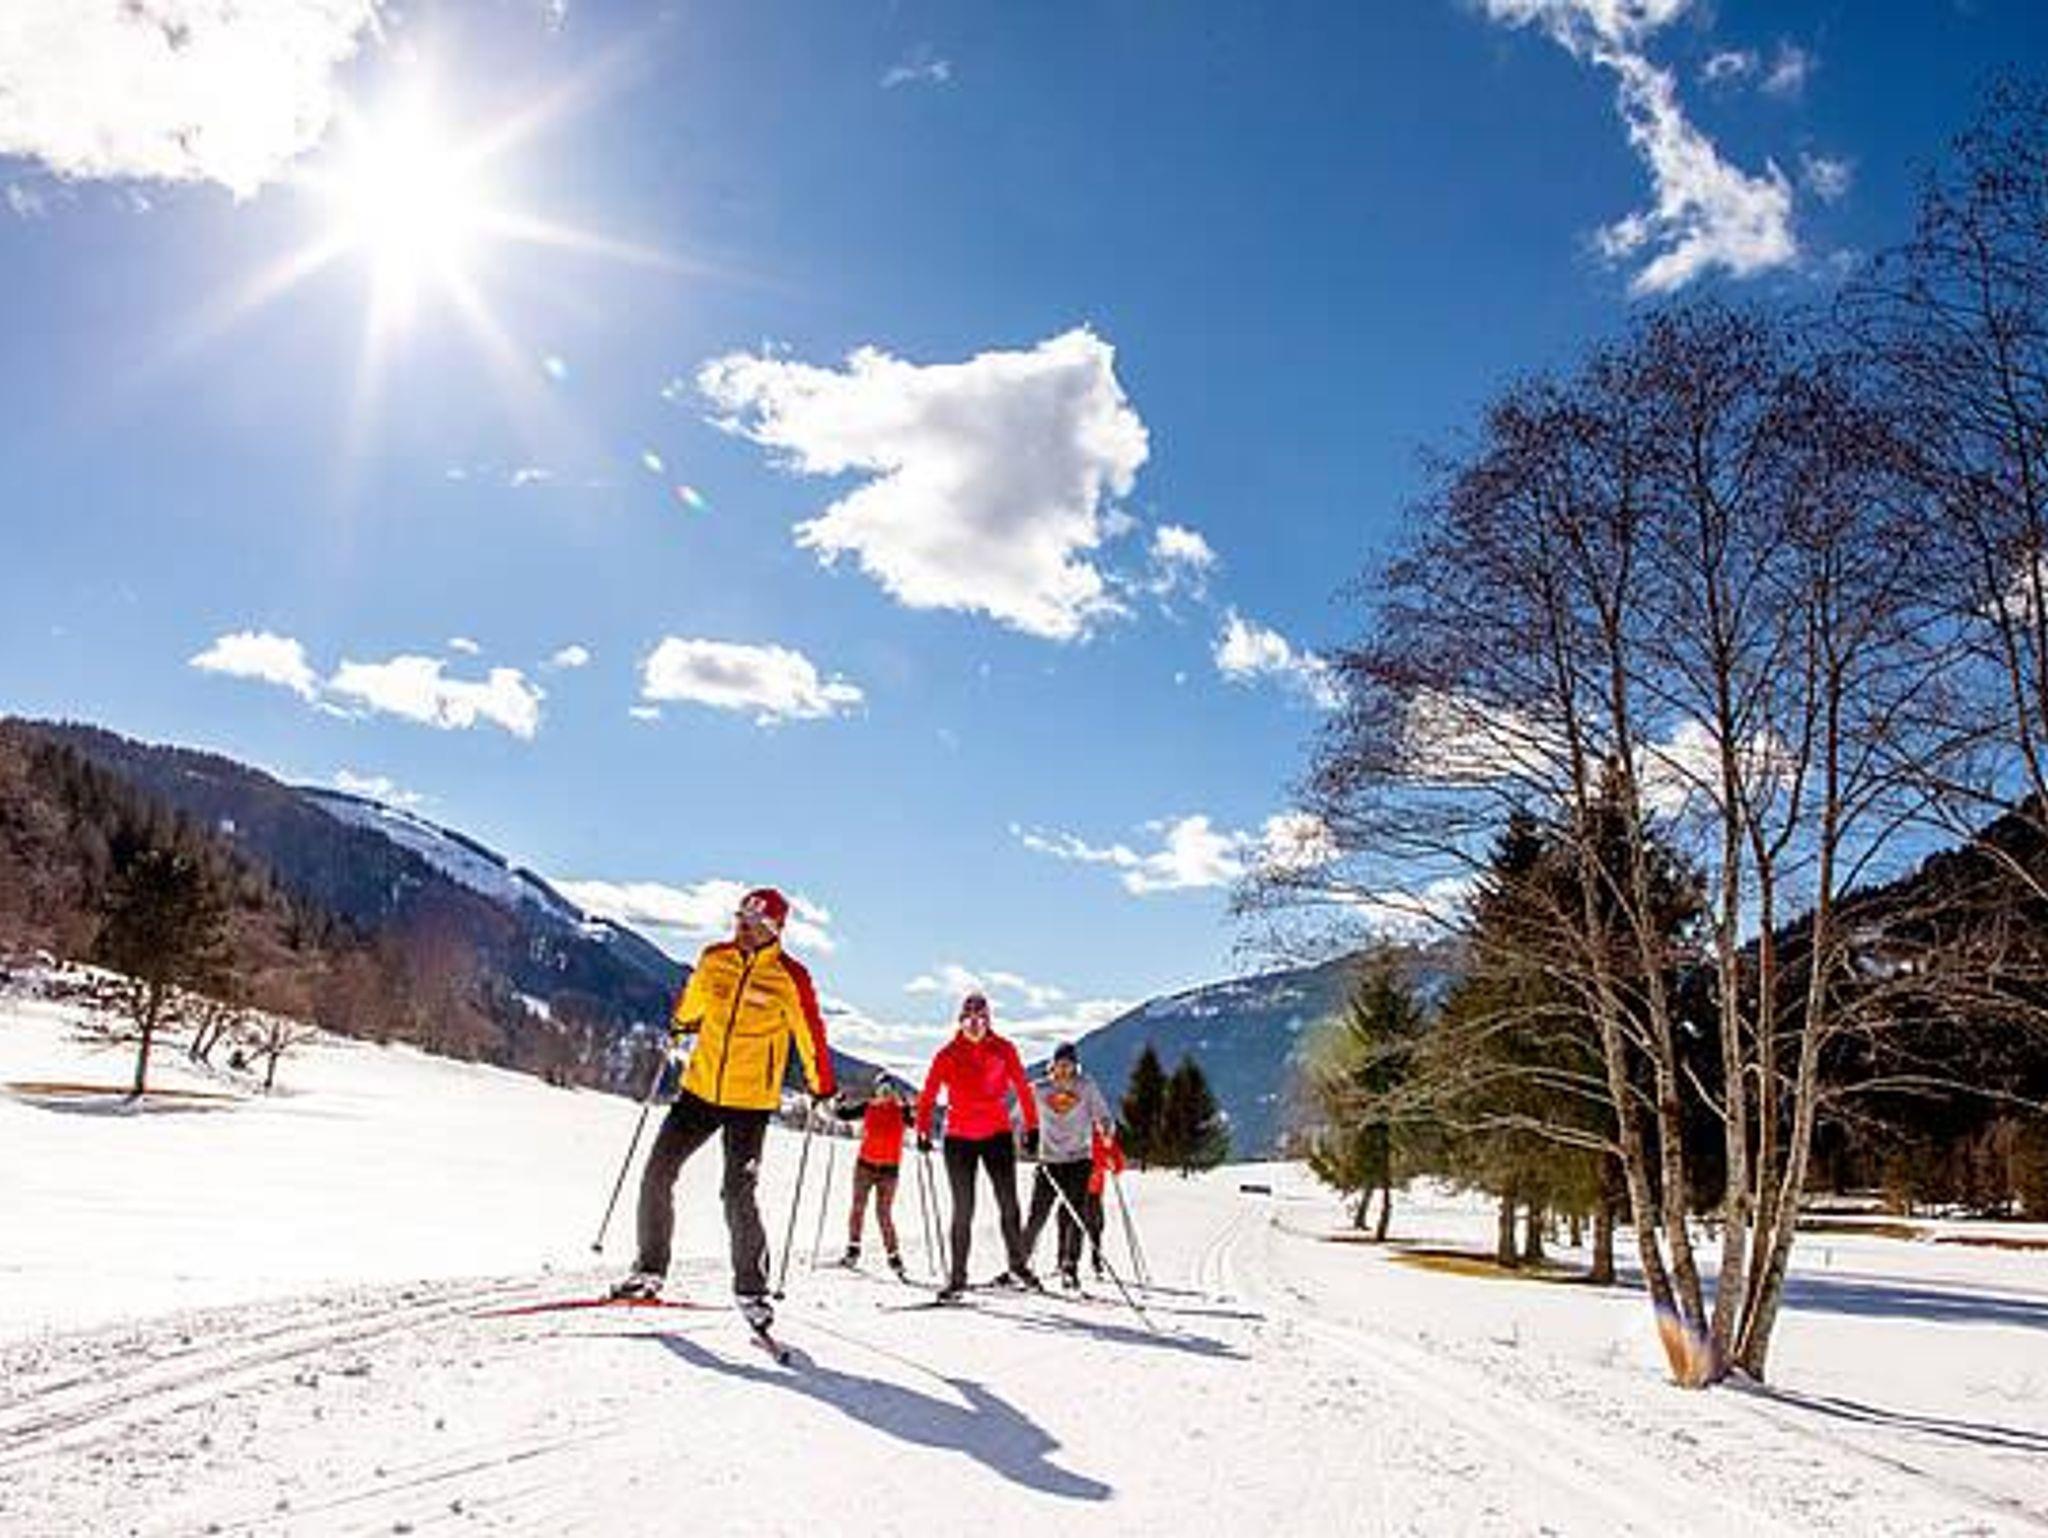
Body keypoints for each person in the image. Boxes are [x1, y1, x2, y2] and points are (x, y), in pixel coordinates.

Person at [611, 886, 834, 1336]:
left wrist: (821, 1084)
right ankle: (649, 1270)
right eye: (739, 918)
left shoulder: (790, 977)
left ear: (775, 929)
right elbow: (693, 1001)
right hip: (699, 1092)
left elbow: (809, 1032)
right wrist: (681, 1021)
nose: (743, 927)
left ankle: (752, 1290)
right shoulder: (714, 959)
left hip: (749, 1104)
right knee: (657, 1173)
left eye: (754, 922)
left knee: (736, 1194)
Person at [916, 991, 1040, 1301]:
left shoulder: (1004, 1049)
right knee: (963, 1208)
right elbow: (929, 1093)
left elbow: (1023, 1088)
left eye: (980, 1019)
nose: (974, 1025)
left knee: (1008, 1204)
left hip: (997, 1135)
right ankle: (957, 1278)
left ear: (988, 1021)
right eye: (969, 1019)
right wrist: (922, 1129)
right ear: (960, 1021)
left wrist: (1032, 1127)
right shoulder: (947, 1054)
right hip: (959, 1140)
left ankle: (1018, 1266)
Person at [1021, 1042, 1116, 1289]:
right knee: (1036, 1216)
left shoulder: (1086, 1087)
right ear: (1052, 1066)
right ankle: (1019, 1264)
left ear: (1076, 1067)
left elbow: (1103, 1115)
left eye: (1069, 1066)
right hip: (1049, 1161)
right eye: (1060, 1065)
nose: (1064, 1071)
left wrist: (1106, 1129)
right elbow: (1020, 1114)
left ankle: (1069, 1267)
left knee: (1076, 1215)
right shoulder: (1038, 1089)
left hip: (1078, 1160)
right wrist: (1028, 1133)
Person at [835, 1074, 912, 1275]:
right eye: (881, 1089)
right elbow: (843, 1115)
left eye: (888, 1089)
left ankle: (894, 1257)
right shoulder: (868, 1106)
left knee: (883, 1214)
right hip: (865, 1166)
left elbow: (918, 1124)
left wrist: (912, 1109)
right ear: (876, 1090)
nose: (884, 1093)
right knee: (858, 1207)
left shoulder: (901, 1111)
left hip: (889, 1171)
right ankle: (853, 1250)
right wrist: (839, 1102)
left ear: (893, 1092)